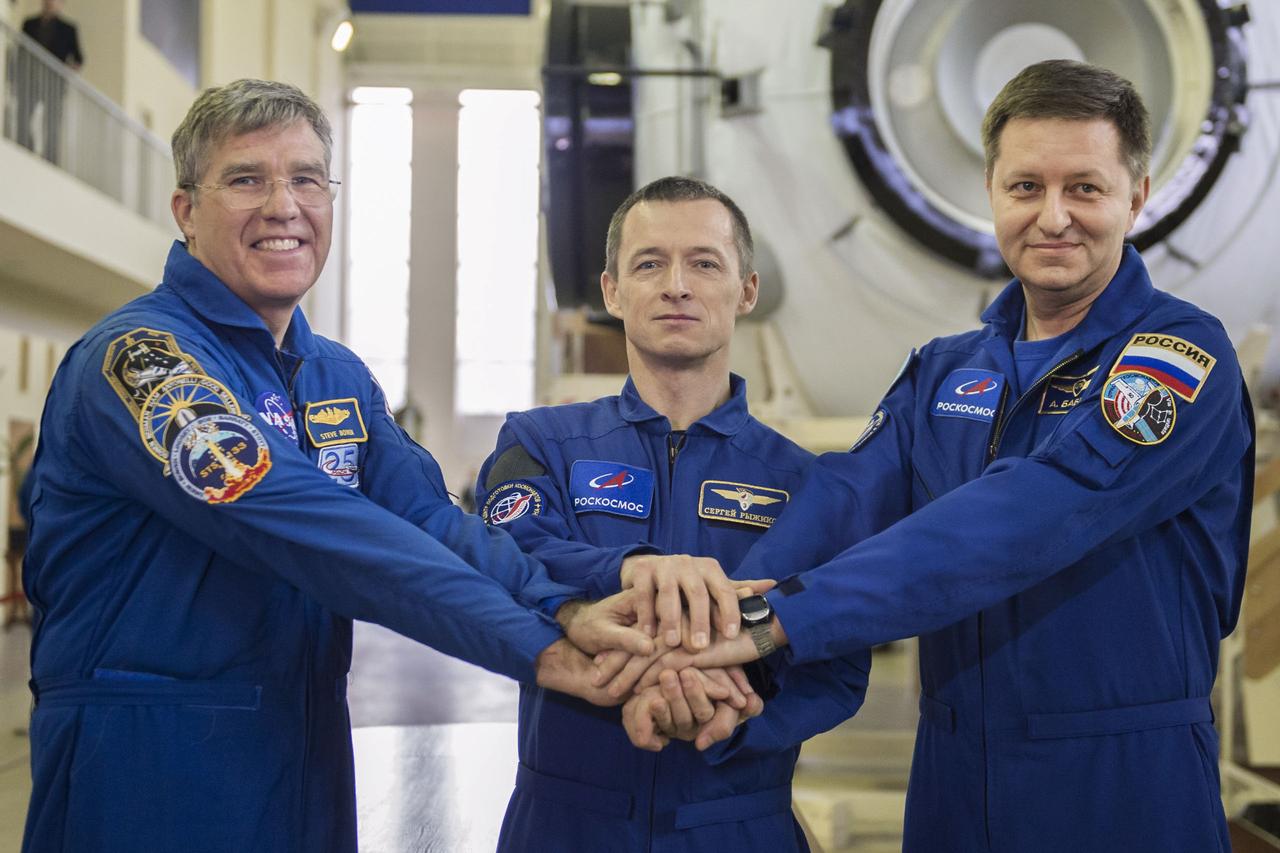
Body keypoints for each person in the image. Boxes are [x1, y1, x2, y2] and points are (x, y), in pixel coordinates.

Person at [603, 60, 1255, 853]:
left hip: (1122, 784)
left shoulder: (1178, 357)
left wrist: (779, 620)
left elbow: (1033, 512)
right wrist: (714, 639)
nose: (1053, 217)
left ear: (1136, 196)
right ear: (991, 192)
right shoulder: (947, 371)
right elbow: (843, 504)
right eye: (1026, 187)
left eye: (1084, 188)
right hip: (954, 780)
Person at [20, 79, 652, 853]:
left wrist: (563, 608)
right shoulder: (140, 365)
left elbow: (429, 519)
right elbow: (310, 529)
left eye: (307, 179)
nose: (284, 206)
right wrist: (536, 646)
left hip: (305, 752)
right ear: (185, 211)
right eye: (246, 179)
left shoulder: (334, 376)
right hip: (148, 770)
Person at [476, 177, 870, 851]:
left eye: (705, 263)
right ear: (612, 291)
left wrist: (734, 717)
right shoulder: (540, 443)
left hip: (738, 821)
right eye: (650, 264)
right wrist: (628, 570)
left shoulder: (809, 485)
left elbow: (839, 660)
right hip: (566, 822)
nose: (677, 286)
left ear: (746, 290)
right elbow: (505, 556)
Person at [18, 0, 82, 162]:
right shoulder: (29, 24)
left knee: (52, 122)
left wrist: (66, 71)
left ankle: (50, 157)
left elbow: (78, 58)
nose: (50, 3)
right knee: (24, 113)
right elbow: (20, 51)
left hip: (54, 83)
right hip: (30, 79)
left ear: (61, 5)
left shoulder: (68, 29)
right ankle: (24, 145)